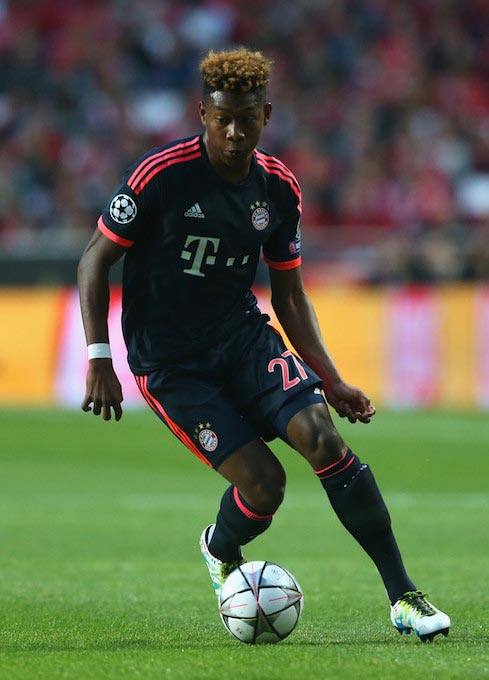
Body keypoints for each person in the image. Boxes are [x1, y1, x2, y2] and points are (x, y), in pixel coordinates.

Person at [78, 47, 450, 642]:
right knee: (265, 485)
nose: (233, 131)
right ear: (202, 112)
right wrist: (100, 358)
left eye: (246, 118)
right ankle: (219, 546)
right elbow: (95, 262)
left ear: (266, 115)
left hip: (243, 340)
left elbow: (292, 296)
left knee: (324, 437)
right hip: (172, 366)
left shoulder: (277, 189)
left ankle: (404, 597)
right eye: (222, 117)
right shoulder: (161, 176)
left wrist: (330, 378)